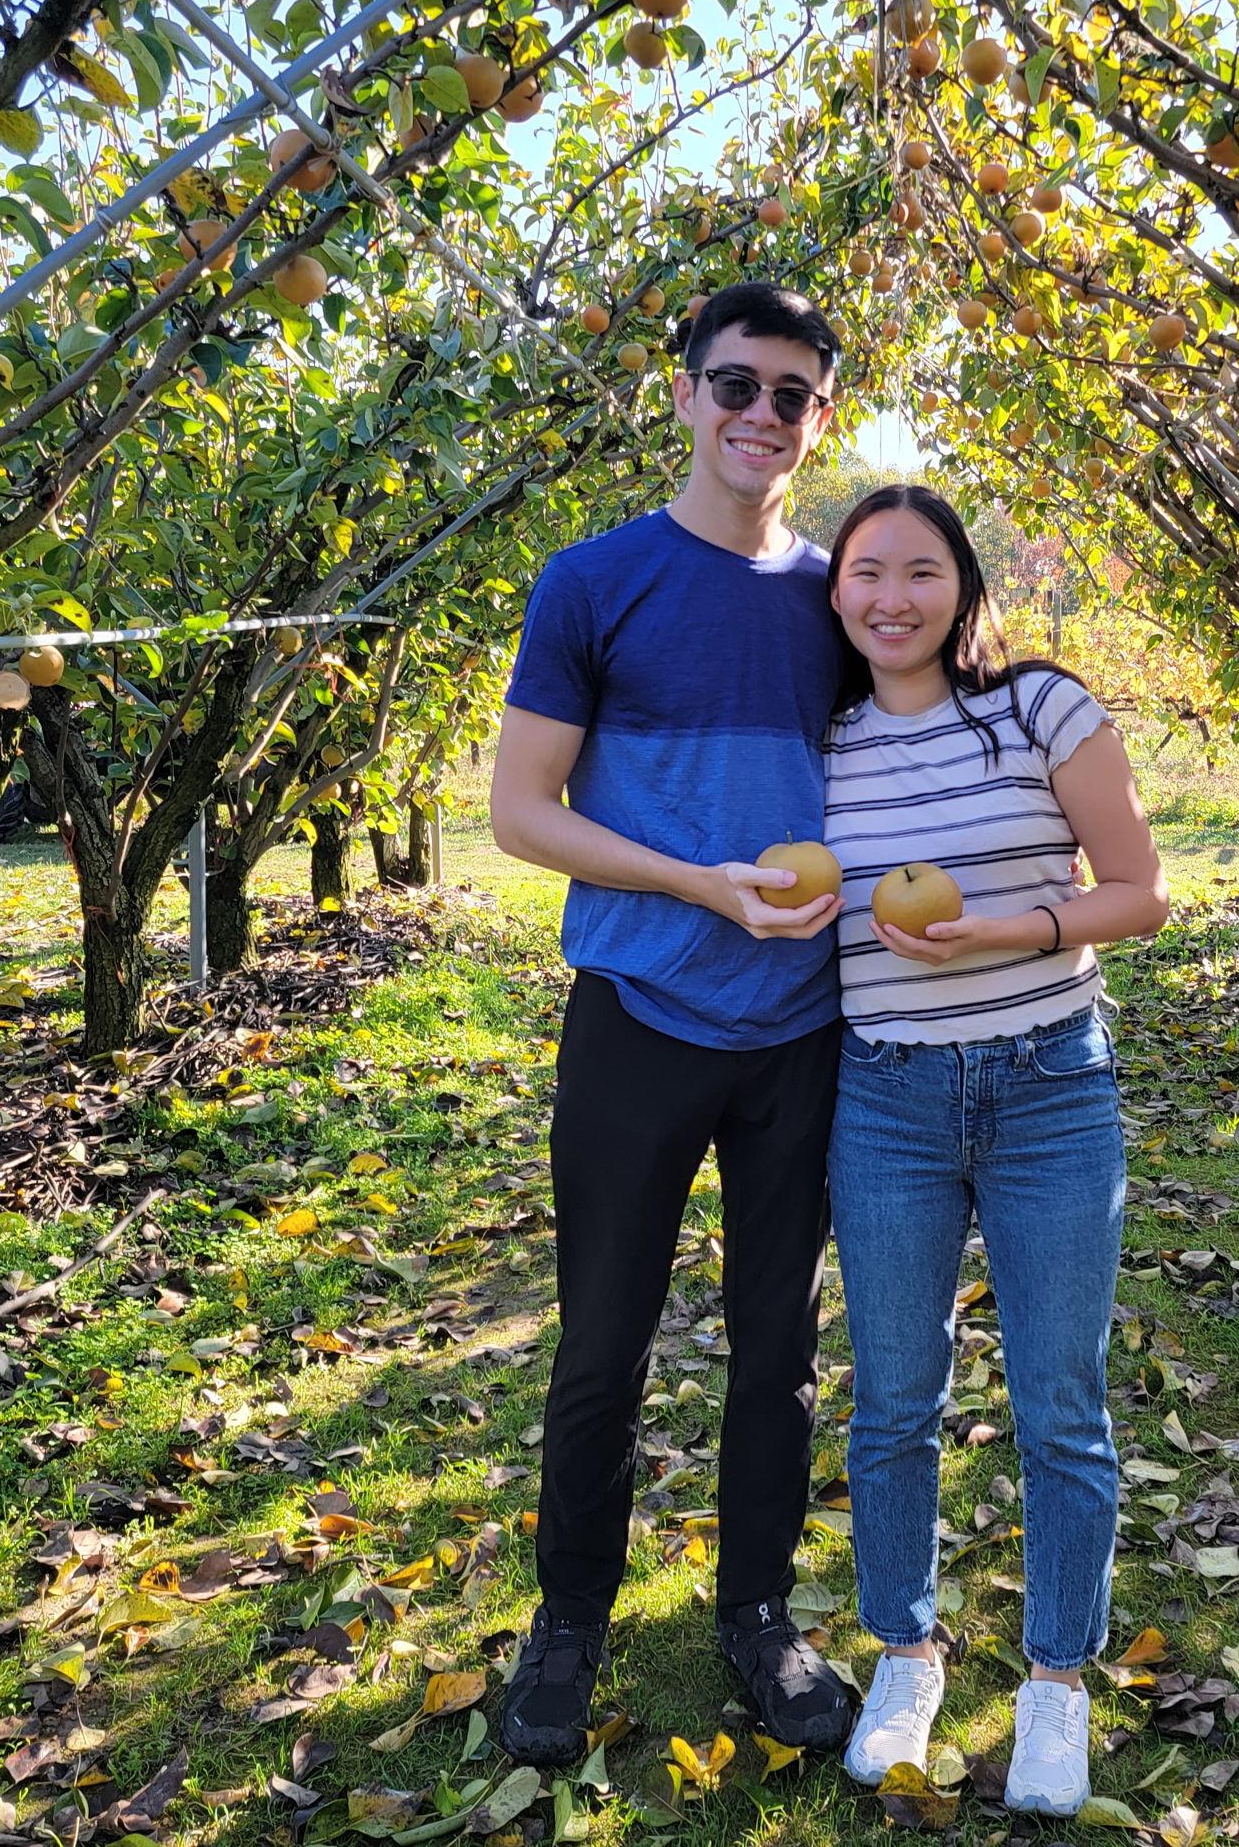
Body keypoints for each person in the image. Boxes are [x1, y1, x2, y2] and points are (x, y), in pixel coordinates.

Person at [488, 281, 857, 1766]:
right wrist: (697, 882)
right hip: (641, 1009)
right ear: (686, 394)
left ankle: (758, 1612)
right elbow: (522, 813)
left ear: (820, 417)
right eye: (735, 383)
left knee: (777, 1342)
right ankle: (570, 1614)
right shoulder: (593, 582)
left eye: (791, 394)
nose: (760, 414)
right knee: (603, 1341)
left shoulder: (841, 595)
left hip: (804, 1027)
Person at [821, 485, 1168, 1817]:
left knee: (1060, 1401)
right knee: (896, 1395)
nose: (892, 596)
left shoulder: (1040, 707)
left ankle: (1056, 1682)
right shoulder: (824, 743)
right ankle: (904, 1652)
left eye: (920, 570)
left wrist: (1004, 930)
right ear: (838, 591)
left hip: (1047, 1091)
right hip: (888, 1098)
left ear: (962, 586)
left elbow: (1140, 889)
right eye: (866, 572)